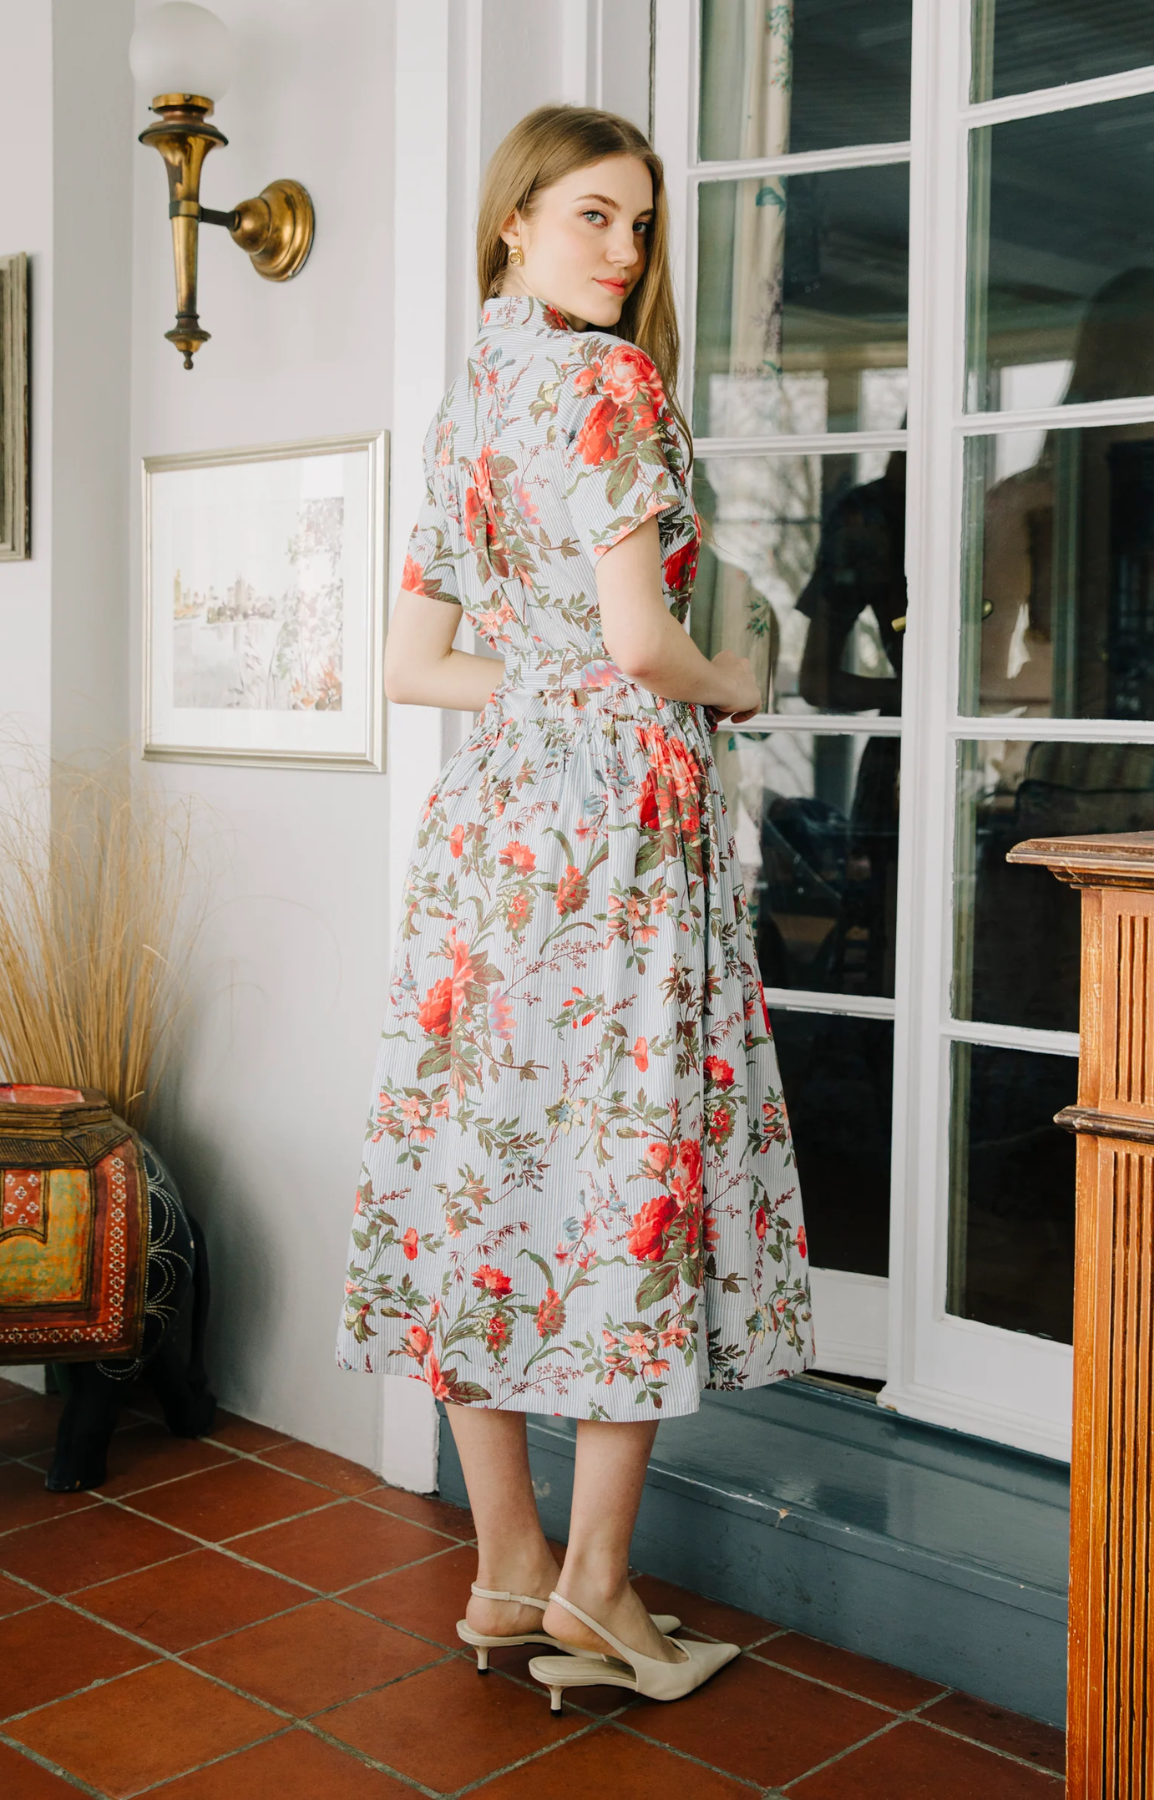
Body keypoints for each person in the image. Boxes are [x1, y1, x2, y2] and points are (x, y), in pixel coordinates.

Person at [336, 103, 813, 1708]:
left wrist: (545, 696)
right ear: (511, 225)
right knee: (630, 1175)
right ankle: (599, 1591)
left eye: (638, 226)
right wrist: (731, 679)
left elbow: (417, 669)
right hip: (612, 838)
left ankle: (506, 1571)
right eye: (593, 217)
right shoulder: (606, 383)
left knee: (488, 1178)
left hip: (492, 838)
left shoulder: (474, 400)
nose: (625, 251)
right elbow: (642, 648)